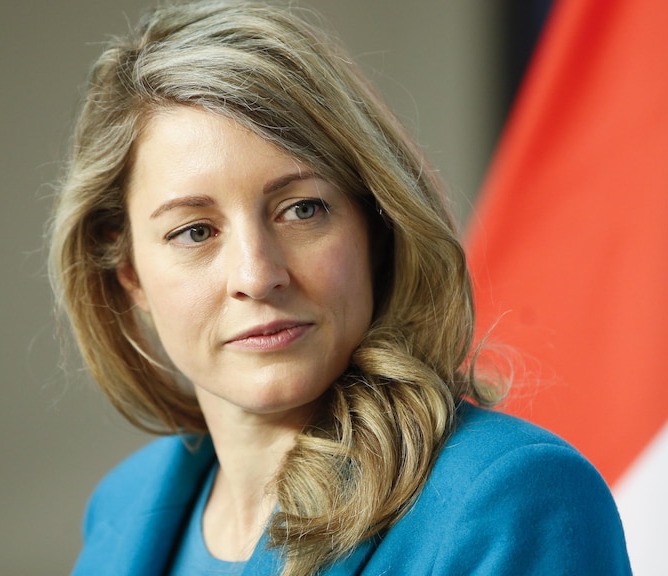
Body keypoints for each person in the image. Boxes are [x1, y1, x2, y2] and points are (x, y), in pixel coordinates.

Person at [49, 1, 632, 574]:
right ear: (129, 274)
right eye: (195, 231)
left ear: (374, 224)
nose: (257, 275)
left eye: (302, 209)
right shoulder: (122, 507)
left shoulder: (513, 497)